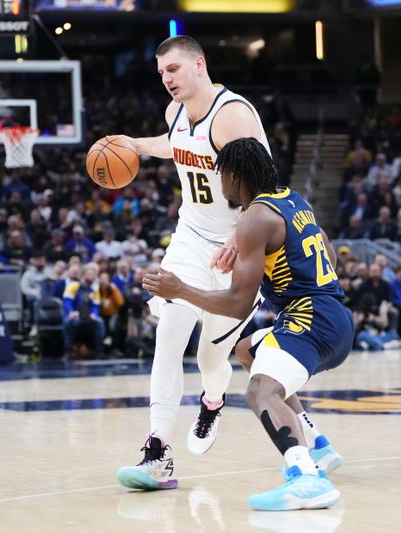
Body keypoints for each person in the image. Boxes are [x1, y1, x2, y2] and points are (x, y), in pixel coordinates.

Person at [143, 138, 351, 511]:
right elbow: (328, 253)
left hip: (312, 320)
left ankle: (306, 478)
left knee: (259, 392)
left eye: (220, 175)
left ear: (235, 176)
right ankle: (316, 443)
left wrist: (180, 289)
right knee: (248, 350)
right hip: (335, 316)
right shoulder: (292, 199)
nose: (219, 183)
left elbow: (239, 305)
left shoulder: (253, 218)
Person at [114, 35, 271, 489]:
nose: (167, 79)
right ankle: (157, 451)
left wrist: (243, 240)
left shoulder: (233, 116)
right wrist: (136, 145)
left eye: (175, 70)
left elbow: (265, 190)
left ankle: (214, 400)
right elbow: (176, 144)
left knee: (209, 357)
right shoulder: (175, 113)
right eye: (162, 73)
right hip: (190, 239)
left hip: (241, 243)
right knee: (169, 335)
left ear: (199, 65)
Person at [62, 263, 105, 356]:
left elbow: (96, 306)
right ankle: (67, 351)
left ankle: (99, 351)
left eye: (94, 275)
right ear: (83, 274)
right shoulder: (73, 286)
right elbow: (67, 301)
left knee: (99, 322)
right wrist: (71, 312)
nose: (92, 277)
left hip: (88, 317)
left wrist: (94, 314)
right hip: (75, 315)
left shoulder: (94, 290)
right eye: (90, 274)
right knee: (68, 323)